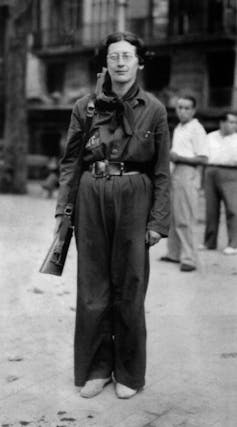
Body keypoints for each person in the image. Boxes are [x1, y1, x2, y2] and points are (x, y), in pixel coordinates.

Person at [54, 32, 170, 399]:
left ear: (139, 62)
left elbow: (163, 170)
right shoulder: (84, 107)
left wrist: (158, 220)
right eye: (114, 56)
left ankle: (129, 374)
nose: (121, 62)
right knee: (92, 286)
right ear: (106, 63)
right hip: (91, 192)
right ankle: (96, 369)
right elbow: (71, 162)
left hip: (136, 195)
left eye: (127, 56)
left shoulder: (155, 109)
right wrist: (64, 211)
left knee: (131, 286)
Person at [160, 95, 208, 271]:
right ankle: (174, 253)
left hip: (188, 173)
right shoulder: (180, 127)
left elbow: (203, 158)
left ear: (194, 110)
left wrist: (179, 158)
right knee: (174, 216)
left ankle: (189, 258)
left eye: (187, 108)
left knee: (186, 217)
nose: (183, 111)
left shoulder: (196, 129)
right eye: (180, 107)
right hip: (175, 173)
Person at [200, 112, 237, 254]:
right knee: (211, 209)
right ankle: (210, 242)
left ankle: (233, 244)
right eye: (231, 122)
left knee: (233, 209)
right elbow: (203, 156)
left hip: (231, 172)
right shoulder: (210, 137)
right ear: (222, 123)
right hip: (210, 171)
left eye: (235, 123)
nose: (234, 125)